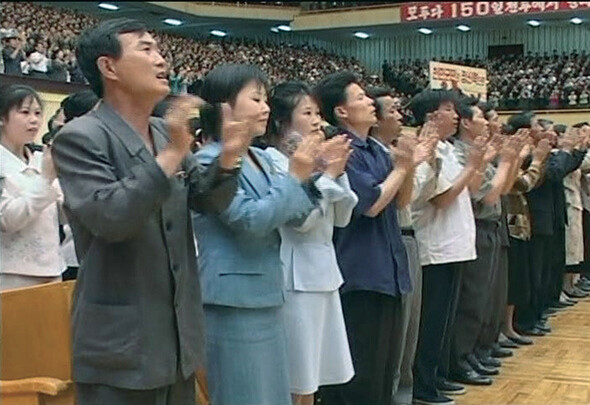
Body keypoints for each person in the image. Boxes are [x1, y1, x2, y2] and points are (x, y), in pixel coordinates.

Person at [51, 18, 249, 405]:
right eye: (145, 49)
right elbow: (111, 218)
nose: (161, 59)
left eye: (159, 49)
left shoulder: (161, 129)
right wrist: (173, 154)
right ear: (108, 67)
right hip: (120, 346)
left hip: (175, 340)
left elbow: (209, 202)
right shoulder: (81, 136)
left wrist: (229, 158)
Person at [193, 64, 327, 405]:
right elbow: (250, 220)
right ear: (224, 106)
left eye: (266, 99)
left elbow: (295, 213)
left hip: (266, 291)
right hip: (232, 298)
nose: (266, 108)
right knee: (245, 395)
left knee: (272, 395)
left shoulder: (261, 158)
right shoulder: (208, 161)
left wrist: (305, 178)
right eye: (256, 98)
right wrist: (294, 178)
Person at [314, 71, 414, 405]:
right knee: (360, 371)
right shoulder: (343, 150)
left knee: (384, 369)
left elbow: (400, 202)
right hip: (359, 274)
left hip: (388, 269)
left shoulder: (377, 149)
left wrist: (408, 166)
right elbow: (369, 205)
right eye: (360, 98)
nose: (370, 102)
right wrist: (400, 170)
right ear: (341, 111)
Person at [264, 81, 357, 405]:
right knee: (297, 377)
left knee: (315, 376)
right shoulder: (273, 161)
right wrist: (327, 175)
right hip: (294, 276)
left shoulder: (315, 160)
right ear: (281, 122)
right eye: (307, 113)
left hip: (323, 272)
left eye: (318, 113)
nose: (318, 121)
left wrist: (336, 172)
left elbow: (344, 216)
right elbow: (300, 221)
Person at [408, 89, 484, 405]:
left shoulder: (448, 149)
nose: (456, 116)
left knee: (444, 321)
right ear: (430, 116)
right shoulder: (424, 151)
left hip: (455, 245)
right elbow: (441, 198)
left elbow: (473, 189)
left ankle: (437, 377)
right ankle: (423, 386)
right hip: (435, 247)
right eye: (449, 110)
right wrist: (472, 167)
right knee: (431, 321)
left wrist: (477, 164)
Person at [366, 86, 438, 405]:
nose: (399, 115)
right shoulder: (372, 155)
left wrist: (419, 161)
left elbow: (408, 195)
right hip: (387, 242)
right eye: (391, 110)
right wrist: (409, 164)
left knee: (409, 330)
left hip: (404, 239)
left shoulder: (394, 152)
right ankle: (393, 393)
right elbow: (392, 202)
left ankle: (403, 393)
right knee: (391, 337)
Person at [0, 84, 63, 291]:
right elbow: (8, 219)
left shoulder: (40, 159)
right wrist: (45, 179)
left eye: (37, 113)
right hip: (11, 274)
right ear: (2, 118)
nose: (34, 120)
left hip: (52, 269)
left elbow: (61, 217)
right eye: (24, 112)